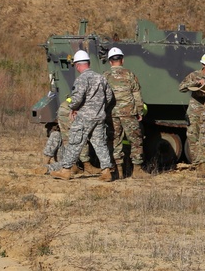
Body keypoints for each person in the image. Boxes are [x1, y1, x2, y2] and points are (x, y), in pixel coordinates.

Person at [48, 50, 115, 182]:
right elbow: (109, 96)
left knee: (74, 141)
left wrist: (73, 107)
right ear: (88, 63)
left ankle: (66, 170)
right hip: (99, 116)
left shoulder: (81, 79)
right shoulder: (101, 78)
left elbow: (77, 98)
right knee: (100, 143)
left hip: (84, 117)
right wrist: (100, 108)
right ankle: (106, 171)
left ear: (78, 65)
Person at [103, 47, 148, 178]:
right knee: (135, 139)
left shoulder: (105, 76)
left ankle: (118, 171)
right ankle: (137, 170)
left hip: (112, 114)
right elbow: (137, 94)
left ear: (110, 62)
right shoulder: (130, 74)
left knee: (114, 140)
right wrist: (139, 111)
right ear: (122, 60)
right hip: (129, 113)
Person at [179, 52, 205, 174]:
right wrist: (196, 83)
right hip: (194, 112)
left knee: (204, 139)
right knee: (193, 137)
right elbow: (182, 87)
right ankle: (197, 164)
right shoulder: (194, 75)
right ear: (203, 65)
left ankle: (204, 166)